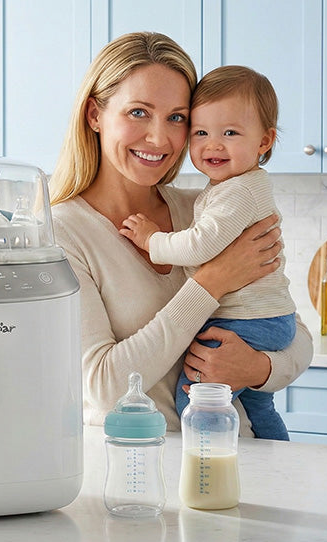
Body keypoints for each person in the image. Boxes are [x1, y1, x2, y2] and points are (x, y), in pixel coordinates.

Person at [48, 32, 312, 434]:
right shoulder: (62, 233)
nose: (159, 137)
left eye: (177, 118)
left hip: (246, 458)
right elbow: (104, 387)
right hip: (148, 473)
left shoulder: (211, 207)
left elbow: (294, 331)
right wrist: (211, 282)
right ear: (94, 115)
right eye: (138, 112)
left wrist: (259, 369)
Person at [118, 66, 296, 440]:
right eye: (201, 132)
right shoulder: (227, 190)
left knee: (195, 403)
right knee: (260, 406)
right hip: (268, 320)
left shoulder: (235, 193)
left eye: (230, 133)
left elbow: (199, 244)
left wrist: (153, 240)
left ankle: (212, 471)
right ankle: (281, 458)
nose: (213, 145)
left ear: (265, 142)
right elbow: (104, 385)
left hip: (249, 323)